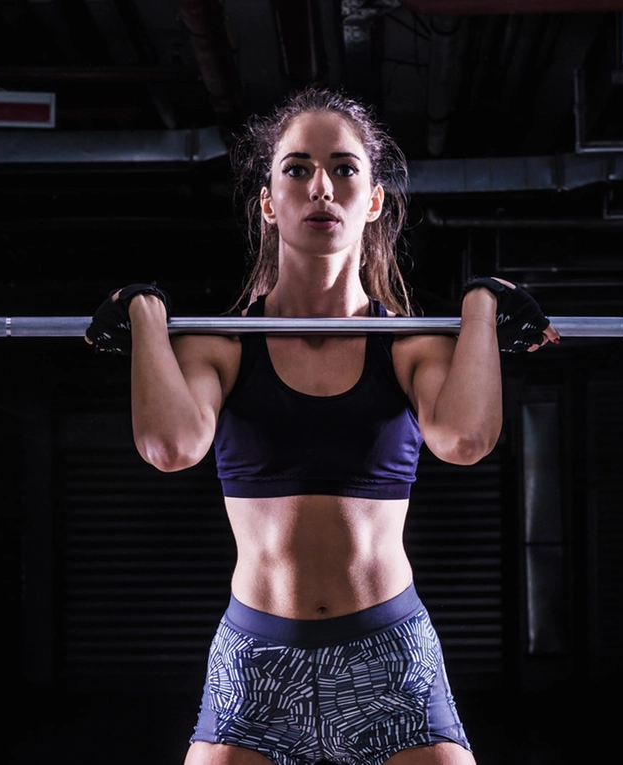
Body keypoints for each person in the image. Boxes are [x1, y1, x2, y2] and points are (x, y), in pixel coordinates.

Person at [86, 88, 559, 765]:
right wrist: (145, 315)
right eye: (297, 168)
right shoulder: (218, 345)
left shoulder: (409, 346)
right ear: (269, 202)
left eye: (343, 168)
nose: (321, 188)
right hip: (257, 664)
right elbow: (170, 446)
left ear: (372, 201)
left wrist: (482, 305)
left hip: (388, 655)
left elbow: (465, 439)